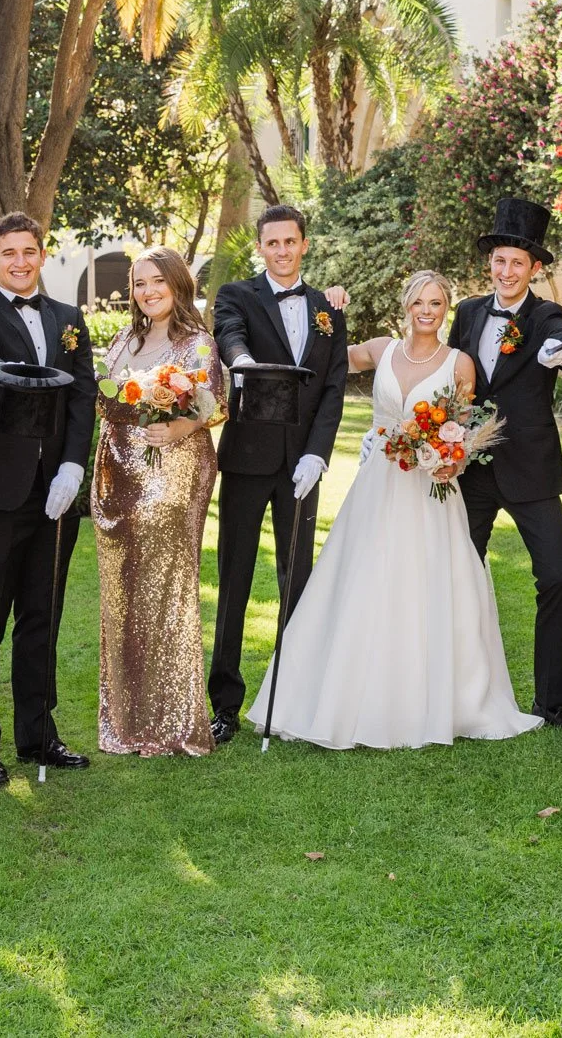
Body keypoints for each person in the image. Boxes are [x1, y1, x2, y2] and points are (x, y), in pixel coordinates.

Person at [248, 271, 543, 748]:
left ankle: (432, 699)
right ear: (406, 305)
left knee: (426, 584)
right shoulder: (380, 350)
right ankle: (345, 695)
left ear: (446, 309)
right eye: (419, 302)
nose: (427, 311)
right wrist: (328, 306)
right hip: (377, 486)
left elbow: (462, 431)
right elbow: (320, 358)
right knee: (362, 579)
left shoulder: (459, 364)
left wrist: (451, 461)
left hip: (429, 492)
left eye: (436, 303)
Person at [0, 212, 97, 786]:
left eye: (28, 251)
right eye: (8, 252)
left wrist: (72, 467)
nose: (19, 261)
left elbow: (82, 396)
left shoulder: (69, 318)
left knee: (43, 617)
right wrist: (6, 371)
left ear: (41, 254)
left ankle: (39, 735)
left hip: (55, 491)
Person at [446, 197, 562, 732]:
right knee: (454, 575)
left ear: (534, 268)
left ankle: (551, 703)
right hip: (470, 469)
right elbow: (449, 375)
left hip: (530, 470)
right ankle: (452, 693)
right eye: (500, 261)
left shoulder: (547, 314)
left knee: (556, 578)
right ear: (491, 263)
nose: (507, 272)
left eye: (517, 263)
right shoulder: (467, 312)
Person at [207, 206, 350, 745]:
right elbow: (229, 333)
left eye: (291, 241)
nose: (282, 251)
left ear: (304, 245)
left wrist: (318, 455)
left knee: (298, 582)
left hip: (302, 467)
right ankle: (224, 703)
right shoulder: (237, 295)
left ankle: (291, 700)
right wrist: (241, 362)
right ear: (260, 248)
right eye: (273, 243)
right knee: (234, 581)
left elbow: (333, 387)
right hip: (247, 460)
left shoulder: (328, 308)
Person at [94, 247, 226, 758]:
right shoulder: (123, 340)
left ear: (177, 284)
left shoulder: (197, 343)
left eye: (157, 281)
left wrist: (180, 427)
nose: (147, 291)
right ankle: (127, 721)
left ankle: (173, 723)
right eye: (139, 283)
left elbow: (212, 404)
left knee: (166, 589)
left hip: (173, 471)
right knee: (123, 594)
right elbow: (104, 400)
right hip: (117, 473)